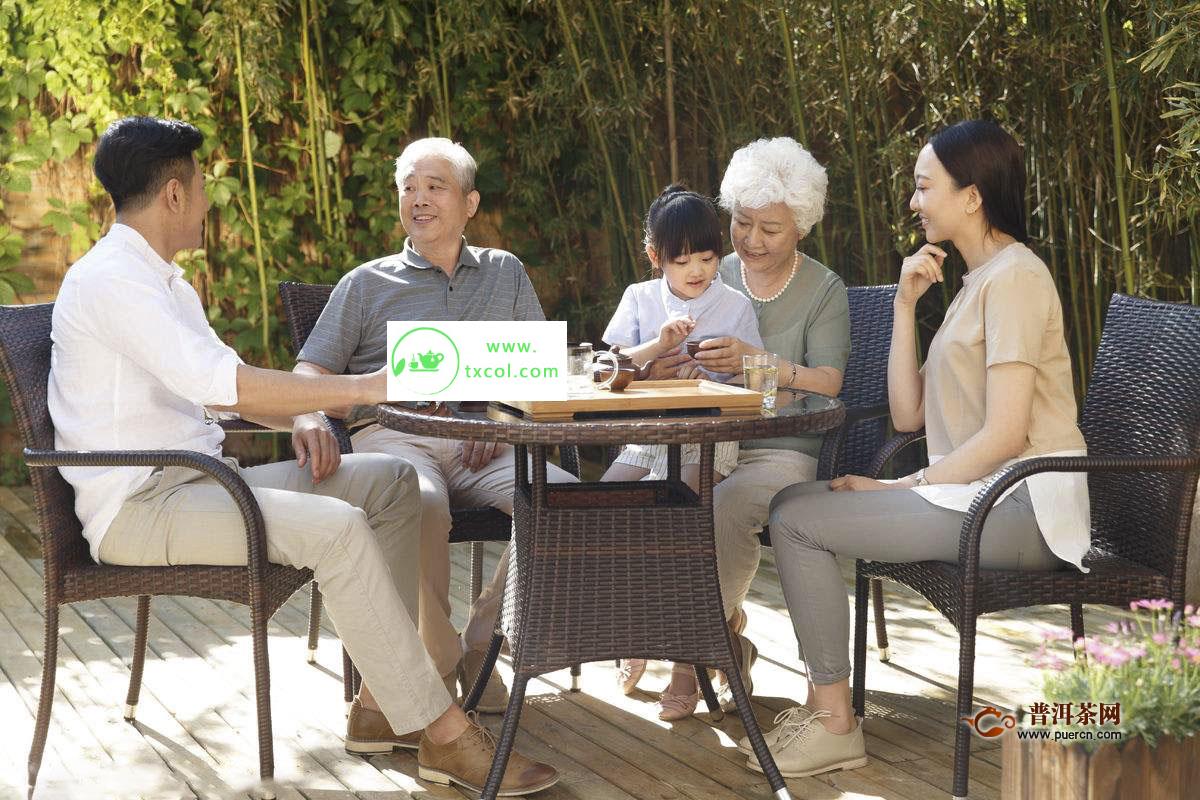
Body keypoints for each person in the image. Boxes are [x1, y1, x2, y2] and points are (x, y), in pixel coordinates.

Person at [50, 116, 558, 796]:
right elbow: (224, 385)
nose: (207, 198)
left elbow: (223, 393)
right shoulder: (116, 280)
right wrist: (364, 389)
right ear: (173, 194)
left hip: (201, 483)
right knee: (339, 530)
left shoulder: (161, 280)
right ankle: (444, 735)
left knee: (391, 482)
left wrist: (306, 412)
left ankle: (382, 703)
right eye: (200, 185)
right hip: (144, 506)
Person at [757, 120, 1087, 779]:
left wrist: (898, 489)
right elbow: (909, 413)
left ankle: (834, 724)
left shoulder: (1016, 280)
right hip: (981, 496)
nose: (914, 201)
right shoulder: (974, 284)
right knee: (792, 502)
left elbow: (1006, 435)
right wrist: (906, 304)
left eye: (923, 186)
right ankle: (823, 705)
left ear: (972, 195)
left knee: (796, 520)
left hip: (1025, 505)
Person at [293, 137, 577, 720]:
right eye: (409, 188)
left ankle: (482, 642)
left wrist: (499, 417)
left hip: (490, 441)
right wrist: (305, 411)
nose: (418, 199)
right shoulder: (366, 283)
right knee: (418, 505)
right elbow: (310, 370)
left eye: (435, 187)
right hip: (396, 438)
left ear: (470, 203)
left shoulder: (506, 273)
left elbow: (542, 372)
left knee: (567, 503)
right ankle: (439, 660)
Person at [617, 138, 851, 716]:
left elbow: (829, 381)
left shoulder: (824, 290)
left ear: (801, 225)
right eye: (742, 224)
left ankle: (687, 654)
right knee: (643, 496)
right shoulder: (703, 268)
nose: (751, 241)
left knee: (719, 506)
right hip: (689, 434)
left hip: (778, 446)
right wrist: (660, 370)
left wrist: (762, 364)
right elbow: (630, 352)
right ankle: (709, 634)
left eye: (769, 229)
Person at [600, 184, 763, 721]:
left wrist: (716, 369)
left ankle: (686, 661)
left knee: (686, 518)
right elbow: (607, 370)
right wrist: (657, 352)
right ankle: (635, 629)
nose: (696, 270)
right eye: (682, 259)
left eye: (708, 257)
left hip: (708, 438)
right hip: (647, 437)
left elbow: (752, 381)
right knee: (607, 504)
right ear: (656, 257)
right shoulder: (640, 298)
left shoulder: (734, 304)